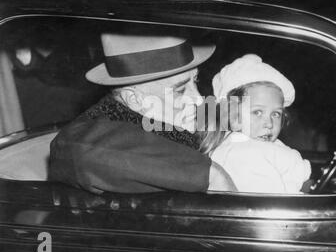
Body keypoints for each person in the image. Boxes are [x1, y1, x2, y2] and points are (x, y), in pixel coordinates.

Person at [49, 32, 236, 194]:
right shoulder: (92, 135)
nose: (198, 99)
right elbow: (75, 148)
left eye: (195, 80)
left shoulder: (165, 123)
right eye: (180, 90)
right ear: (134, 99)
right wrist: (210, 174)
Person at [200, 54, 311, 194]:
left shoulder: (260, 146)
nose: (269, 124)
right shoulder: (242, 154)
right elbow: (270, 205)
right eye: (257, 112)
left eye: (275, 114)